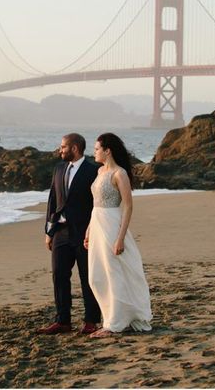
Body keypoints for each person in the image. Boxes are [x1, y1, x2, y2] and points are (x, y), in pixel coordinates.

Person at [85, 132, 152, 338]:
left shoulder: (119, 174)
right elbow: (94, 205)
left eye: (97, 149)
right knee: (96, 276)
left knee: (113, 272)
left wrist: (121, 238)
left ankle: (114, 323)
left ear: (108, 151)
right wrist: (88, 230)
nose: (94, 152)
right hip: (96, 224)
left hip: (112, 225)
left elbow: (128, 206)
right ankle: (110, 318)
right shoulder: (99, 172)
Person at [37, 133, 101, 335]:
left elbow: (97, 204)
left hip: (84, 232)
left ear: (74, 148)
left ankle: (91, 320)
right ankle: (62, 321)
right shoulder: (58, 168)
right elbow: (52, 201)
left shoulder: (94, 170)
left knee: (87, 277)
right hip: (60, 232)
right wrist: (49, 231)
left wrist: (94, 230)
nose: (60, 149)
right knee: (59, 275)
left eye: (63, 146)